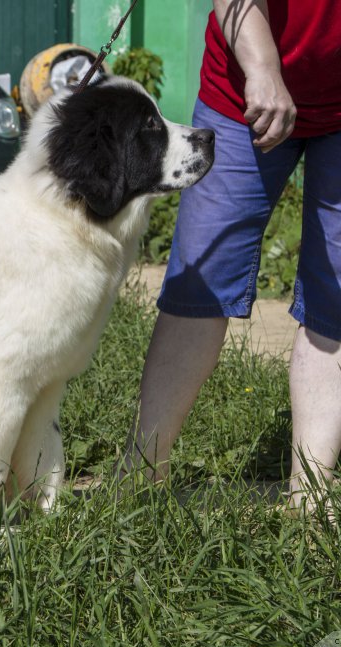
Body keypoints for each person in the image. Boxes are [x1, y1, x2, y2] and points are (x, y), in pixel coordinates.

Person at [122, 0, 341, 512]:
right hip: (243, 91)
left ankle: (311, 498)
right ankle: (139, 477)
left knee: (337, 297)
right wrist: (262, 68)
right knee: (201, 281)